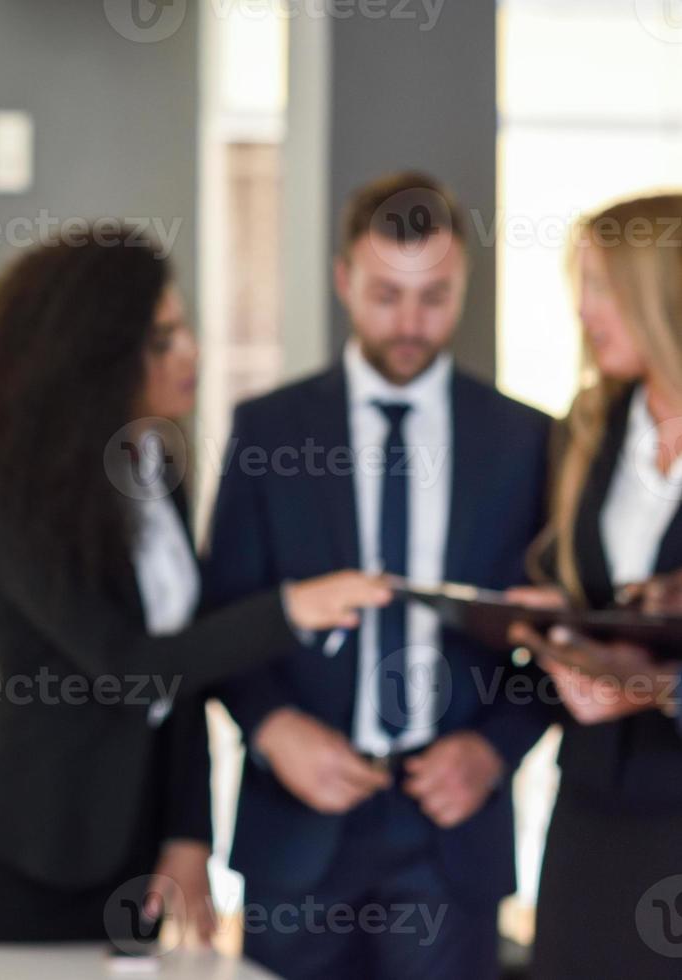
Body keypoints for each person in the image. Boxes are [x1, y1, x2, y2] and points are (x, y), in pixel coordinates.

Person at [0, 228, 389, 946]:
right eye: (161, 339)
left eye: (183, 329)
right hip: (30, 849)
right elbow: (127, 665)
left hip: (135, 847)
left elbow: (183, 667)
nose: (191, 353)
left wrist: (187, 833)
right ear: (96, 357)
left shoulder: (154, 464)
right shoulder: (16, 496)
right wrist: (290, 609)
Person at [203, 172, 553, 979]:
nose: (408, 323)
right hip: (294, 826)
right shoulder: (267, 429)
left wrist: (496, 750)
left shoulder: (526, 440)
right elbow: (222, 620)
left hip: (452, 835)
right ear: (342, 281)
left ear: (463, 281)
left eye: (433, 296)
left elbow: (553, 632)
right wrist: (270, 729)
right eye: (385, 295)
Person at [505, 193, 682, 979]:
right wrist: (558, 632)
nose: (584, 310)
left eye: (603, 286)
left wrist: (658, 690)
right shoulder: (590, 426)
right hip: (591, 801)